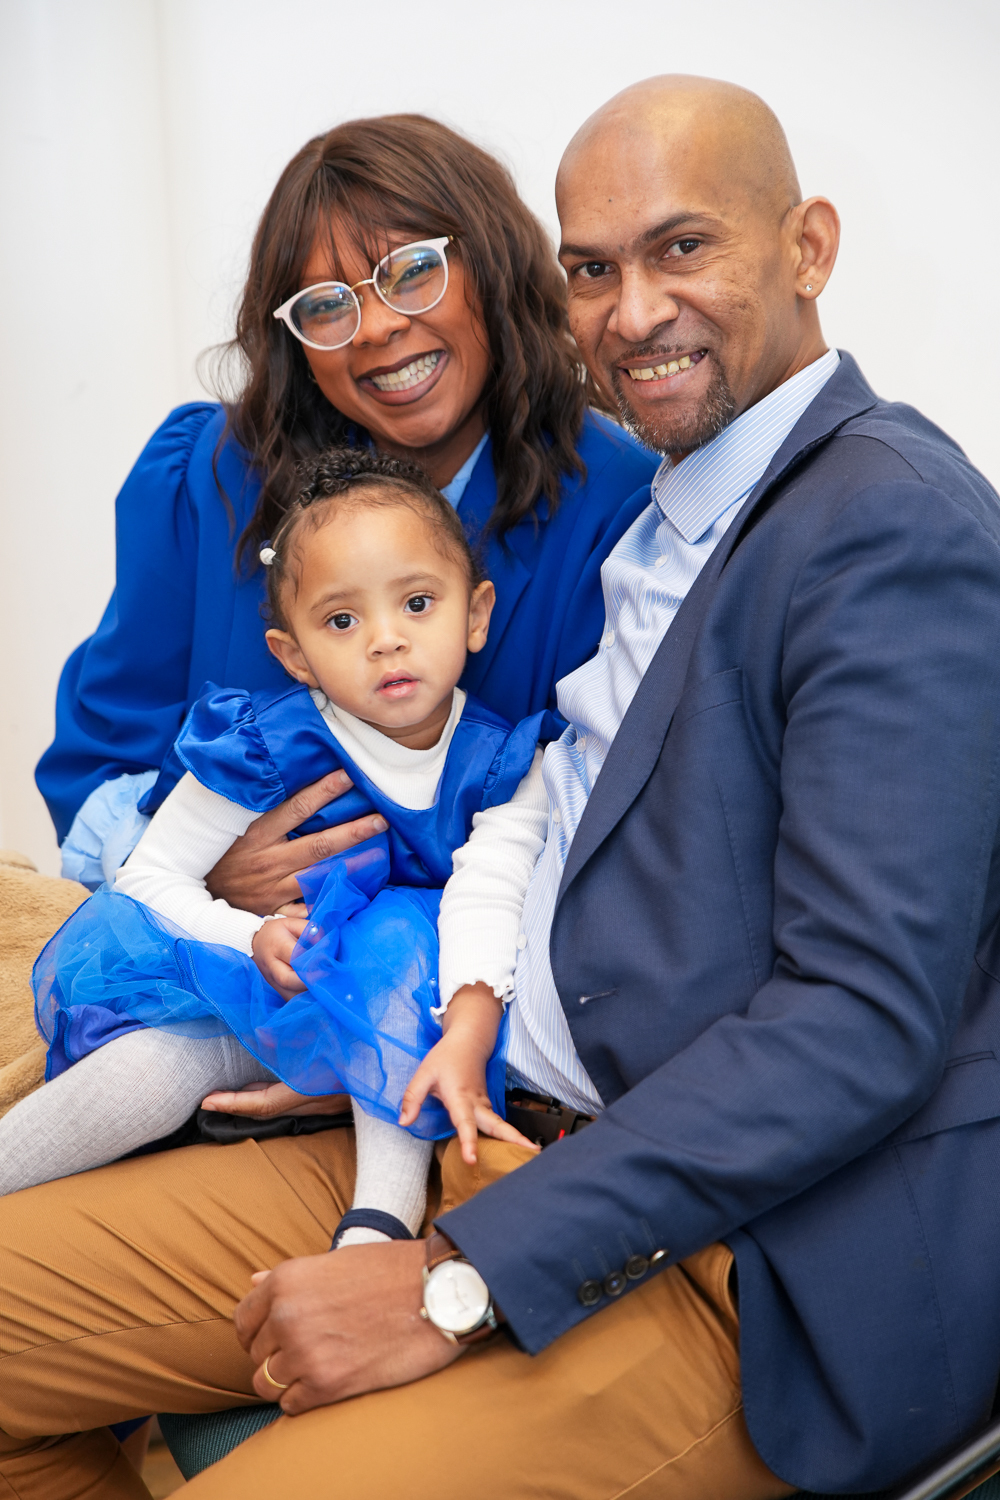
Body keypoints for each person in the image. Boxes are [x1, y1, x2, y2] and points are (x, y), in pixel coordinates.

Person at [2, 74, 1000, 1500]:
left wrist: (458, 1278)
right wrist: (363, 1016)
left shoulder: (882, 526)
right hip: (455, 1096)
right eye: (593, 269)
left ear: (809, 248)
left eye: (683, 248)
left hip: (705, 1238)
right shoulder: (675, 514)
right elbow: (539, 836)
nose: (632, 312)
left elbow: (856, 1016)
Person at [35, 113, 657, 918]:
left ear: (492, 265)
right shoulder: (210, 475)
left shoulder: (619, 506)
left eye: (412, 271)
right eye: (326, 306)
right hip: (205, 947)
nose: (380, 328)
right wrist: (190, 875)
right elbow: (98, 762)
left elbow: (611, 829)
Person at [15, 449, 553, 1228]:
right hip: (260, 993)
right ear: (293, 654)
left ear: (475, 615)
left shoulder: (505, 765)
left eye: (417, 603)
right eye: (342, 620)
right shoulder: (268, 746)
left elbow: (489, 899)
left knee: (398, 941)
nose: (385, 640)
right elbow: (148, 878)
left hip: (408, 1008)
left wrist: (469, 1026)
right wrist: (254, 934)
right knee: (153, 1067)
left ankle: (379, 1226)